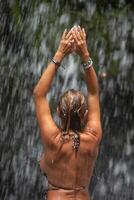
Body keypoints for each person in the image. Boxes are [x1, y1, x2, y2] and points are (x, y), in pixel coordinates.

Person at [33, 26, 102, 200]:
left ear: (58, 112)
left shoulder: (53, 140)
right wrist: (85, 55)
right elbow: (93, 93)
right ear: (86, 114)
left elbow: (39, 95)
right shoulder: (93, 137)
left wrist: (59, 53)